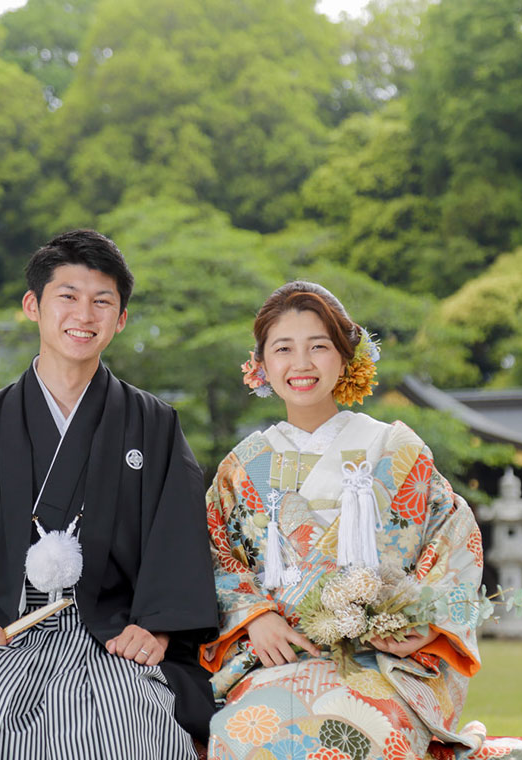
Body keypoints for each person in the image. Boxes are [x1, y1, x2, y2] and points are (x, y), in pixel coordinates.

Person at [0, 229, 218, 760]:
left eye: (103, 301)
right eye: (68, 297)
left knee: (128, 723)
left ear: (121, 319)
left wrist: (157, 627)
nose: (85, 314)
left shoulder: (153, 425)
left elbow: (180, 539)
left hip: (111, 640)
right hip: (5, 636)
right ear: (32, 306)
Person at [201, 281, 486, 760]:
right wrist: (254, 618)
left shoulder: (395, 450)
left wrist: (426, 623)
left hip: (384, 663)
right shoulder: (241, 467)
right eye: (284, 349)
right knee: (244, 734)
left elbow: (454, 537)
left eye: (319, 347)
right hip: (275, 658)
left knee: (364, 733)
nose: (302, 364)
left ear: (345, 355)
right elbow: (213, 555)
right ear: (262, 365)